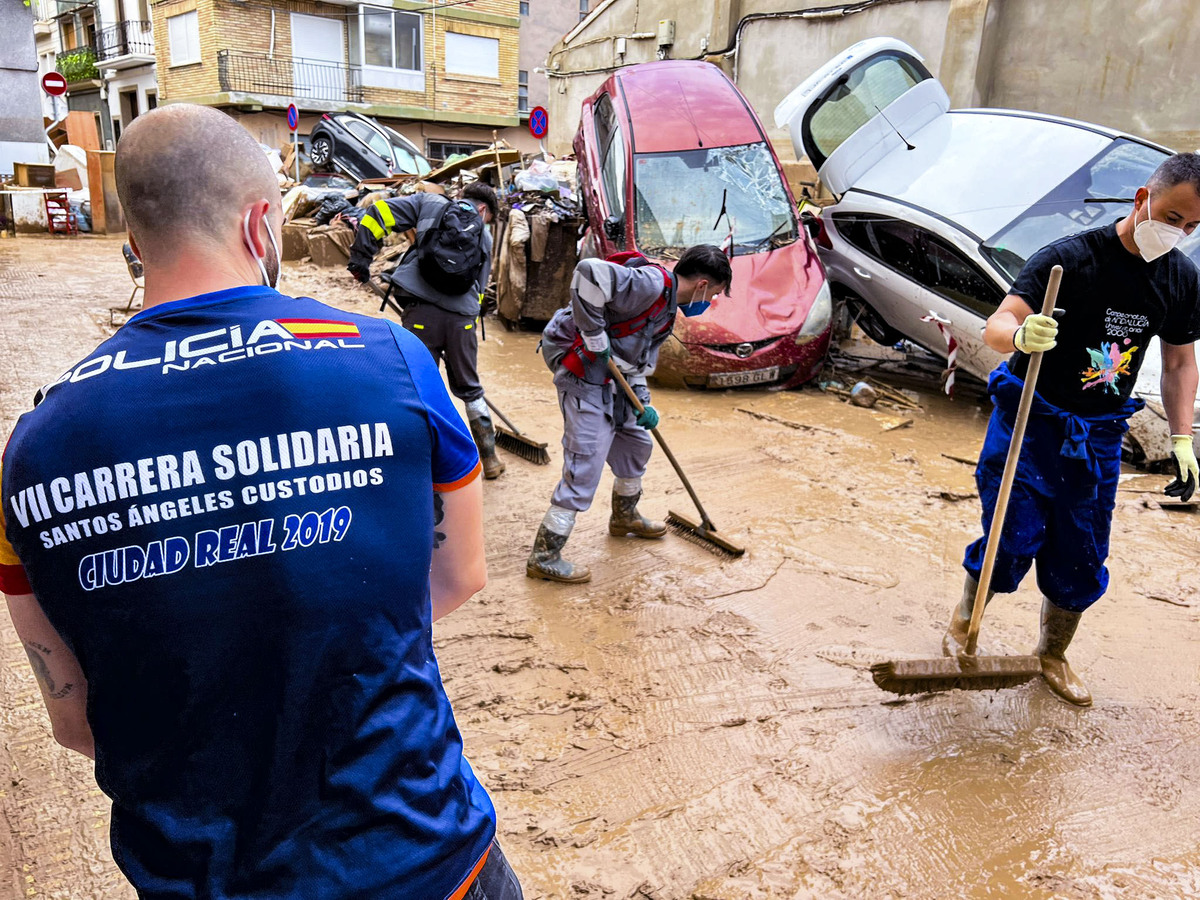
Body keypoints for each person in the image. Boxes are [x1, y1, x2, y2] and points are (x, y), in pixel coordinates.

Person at [0, 105, 523, 900]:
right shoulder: (390, 361)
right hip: (423, 859)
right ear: (259, 226)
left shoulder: (31, 450)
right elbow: (460, 577)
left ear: (135, 243)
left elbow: (75, 722)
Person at [945, 152, 1200, 707]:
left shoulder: (1181, 278)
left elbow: (1181, 361)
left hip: (1100, 434)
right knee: (1010, 538)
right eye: (1174, 216)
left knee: (1081, 552)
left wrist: (1182, 437)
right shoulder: (1069, 259)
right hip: (1031, 423)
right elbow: (998, 323)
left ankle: (1052, 655)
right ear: (1143, 199)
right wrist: (1020, 335)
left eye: (1193, 226)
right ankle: (963, 625)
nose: (1179, 232)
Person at [527, 246, 732, 583]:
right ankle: (544, 555)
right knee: (585, 462)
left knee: (637, 443)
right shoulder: (651, 284)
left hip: (613, 376)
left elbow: (636, 363)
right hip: (582, 371)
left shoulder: (667, 311)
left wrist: (643, 402)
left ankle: (625, 517)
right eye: (715, 294)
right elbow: (588, 273)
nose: (711, 301)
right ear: (702, 285)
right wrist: (594, 335)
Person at [347, 182, 507, 480]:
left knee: (420, 387)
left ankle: (425, 467)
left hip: (421, 314)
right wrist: (466, 318)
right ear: (484, 209)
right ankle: (490, 458)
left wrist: (361, 258)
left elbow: (377, 213)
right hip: (463, 322)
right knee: (470, 389)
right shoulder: (482, 234)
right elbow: (481, 289)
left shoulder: (429, 204)